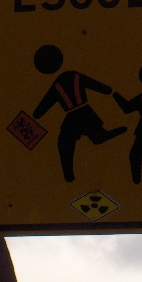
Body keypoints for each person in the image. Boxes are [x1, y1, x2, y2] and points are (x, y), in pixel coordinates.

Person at [33, 45, 127, 182]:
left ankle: (68, 174)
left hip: (76, 114)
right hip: (82, 113)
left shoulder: (58, 83)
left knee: (65, 142)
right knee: (68, 141)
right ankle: (69, 174)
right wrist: (107, 90)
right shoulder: (72, 76)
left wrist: (37, 114)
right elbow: (95, 85)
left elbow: (44, 105)